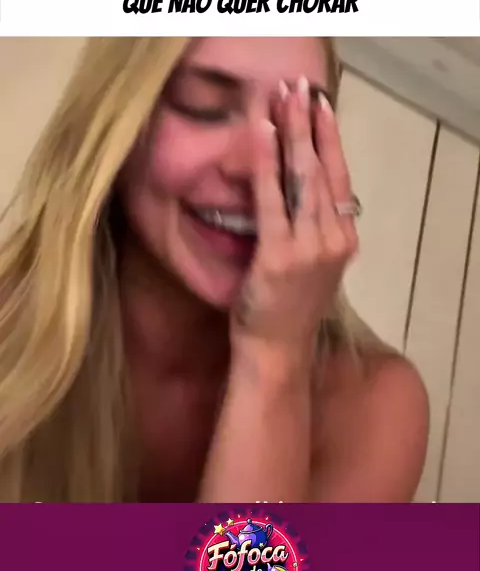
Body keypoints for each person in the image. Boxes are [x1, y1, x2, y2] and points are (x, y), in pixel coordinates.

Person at [0, 36, 429, 503]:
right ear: (115, 122)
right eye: (205, 106)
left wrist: (273, 359)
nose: (256, 167)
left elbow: (247, 557)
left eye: (297, 124)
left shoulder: (374, 407)